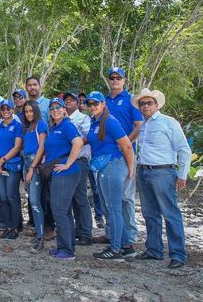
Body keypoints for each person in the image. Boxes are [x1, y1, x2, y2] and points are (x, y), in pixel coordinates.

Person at [132, 88, 190, 269]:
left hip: (163, 172)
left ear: (156, 105)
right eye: (142, 103)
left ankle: (178, 255)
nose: (146, 106)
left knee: (170, 214)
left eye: (149, 103)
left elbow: (184, 149)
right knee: (150, 214)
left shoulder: (168, 122)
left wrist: (182, 175)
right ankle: (154, 250)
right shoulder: (144, 125)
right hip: (144, 172)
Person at [85, 91, 136, 261]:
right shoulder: (95, 122)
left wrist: (130, 169)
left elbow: (127, 146)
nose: (92, 106)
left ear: (103, 104)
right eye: (89, 104)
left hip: (113, 165)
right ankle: (126, 246)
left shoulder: (110, 122)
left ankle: (115, 250)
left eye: (96, 103)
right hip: (103, 167)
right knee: (109, 208)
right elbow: (88, 140)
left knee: (114, 209)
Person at [97, 67, 143, 249]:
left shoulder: (131, 101)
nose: (115, 80)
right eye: (112, 77)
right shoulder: (103, 102)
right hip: (104, 156)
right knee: (106, 196)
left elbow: (139, 127)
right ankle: (111, 232)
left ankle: (129, 237)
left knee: (125, 197)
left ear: (124, 80)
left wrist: (124, 142)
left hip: (125, 154)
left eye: (118, 78)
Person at [44, 98, 84, 260]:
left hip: (66, 173)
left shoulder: (67, 125)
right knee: (64, 211)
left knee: (59, 211)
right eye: (52, 108)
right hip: (57, 173)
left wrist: (68, 164)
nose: (55, 110)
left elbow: (78, 142)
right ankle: (65, 246)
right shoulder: (54, 127)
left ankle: (67, 251)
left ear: (63, 109)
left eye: (58, 107)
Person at [64, 92, 95, 245]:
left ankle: (86, 233)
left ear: (78, 103)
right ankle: (78, 229)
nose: (68, 102)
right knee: (72, 197)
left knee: (81, 197)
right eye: (66, 100)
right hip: (66, 162)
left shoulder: (83, 118)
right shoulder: (62, 119)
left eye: (72, 100)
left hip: (80, 161)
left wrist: (76, 143)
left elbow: (90, 137)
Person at [0, 99, 23, 240]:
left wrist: (2, 160)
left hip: (12, 165)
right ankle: (7, 226)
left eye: (8, 108)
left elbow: (17, 147)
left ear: (12, 109)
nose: (6, 111)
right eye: (3, 109)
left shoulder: (17, 126)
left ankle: (15, 227)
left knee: (11, 196)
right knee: (2, 197)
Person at [22, 101, 48, 253]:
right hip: (26, 163)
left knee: (35, 202)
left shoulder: (41, 124)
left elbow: (42, 147)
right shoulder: (27, 128)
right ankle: (38, 233)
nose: (29, 114)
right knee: (32, 202)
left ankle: (41, 238)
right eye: (26, 111)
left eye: (31, 111)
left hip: (35, 165)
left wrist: (32, 168)